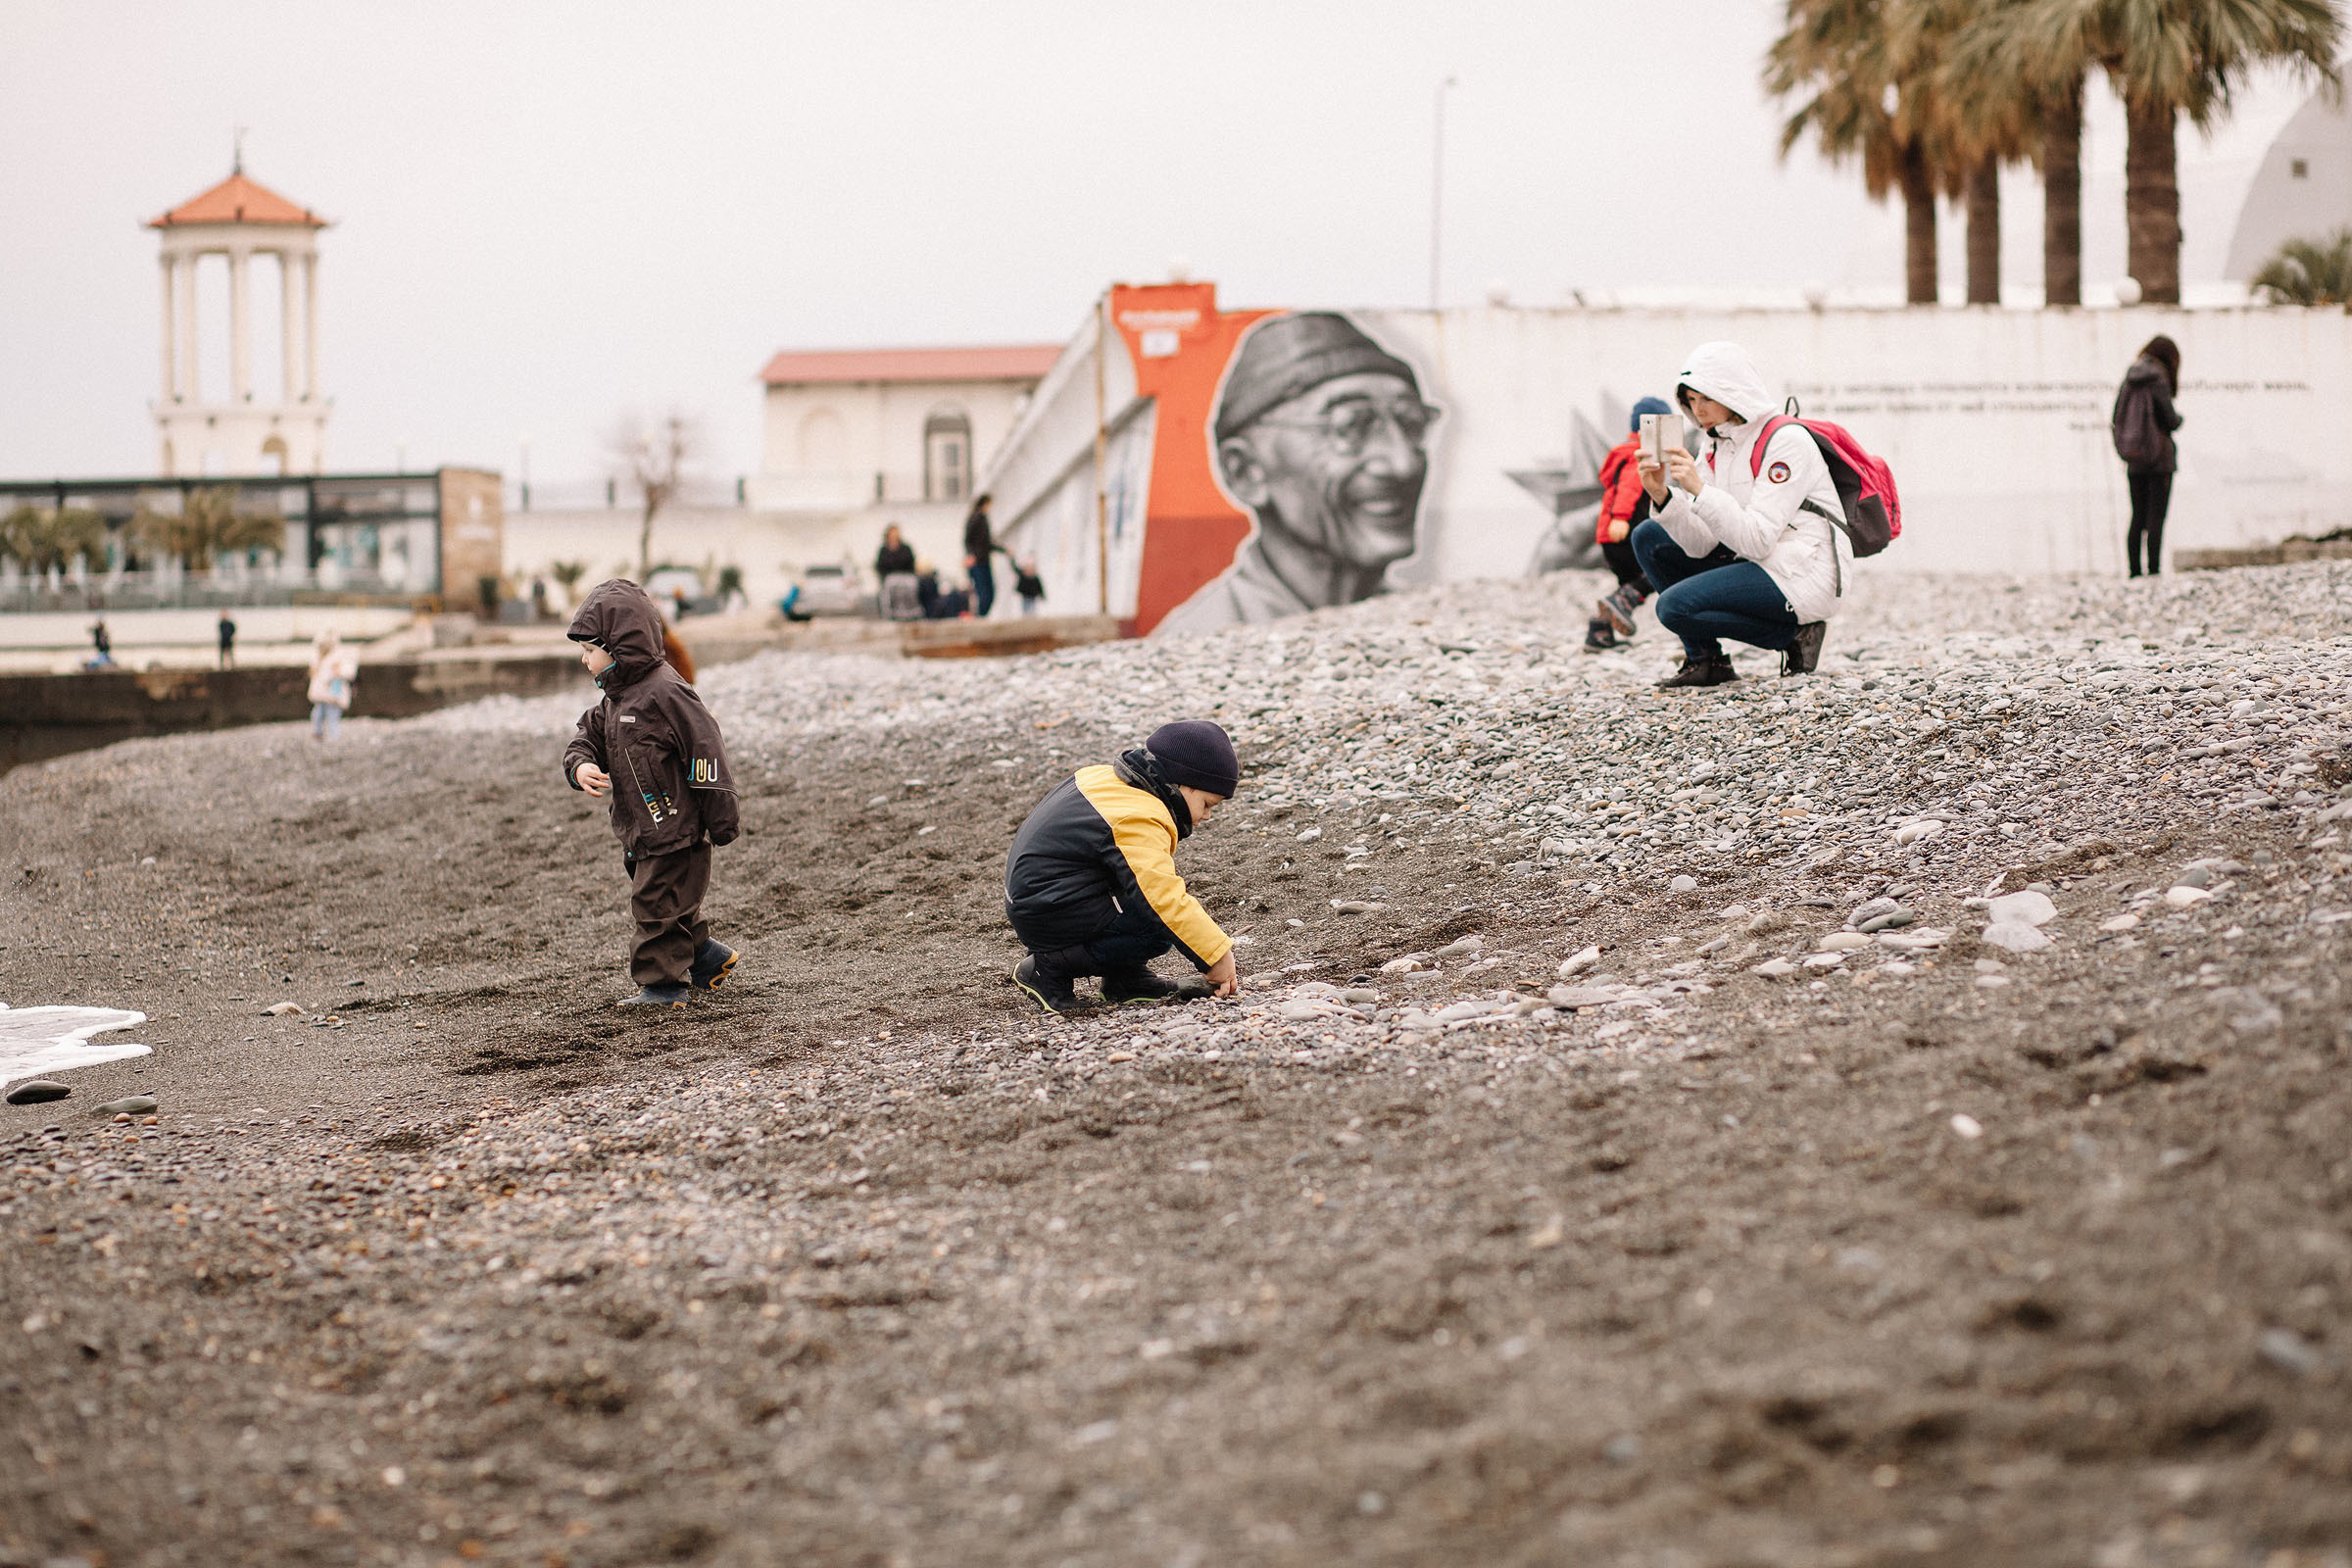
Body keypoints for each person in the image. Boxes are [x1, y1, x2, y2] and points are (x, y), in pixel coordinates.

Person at [1157, 312, 1435, 635]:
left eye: (1412, 424)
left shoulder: (1422, 626)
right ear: (1245, 471)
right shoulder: (1195, 644)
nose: (1404, 464)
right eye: (1351, 426)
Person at [563, 579, 742, 1009]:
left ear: (618, 644)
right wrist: (581, 765)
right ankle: (708, 960)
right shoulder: (615, 700)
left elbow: (705, 746)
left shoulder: (665, 692)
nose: (585, 660)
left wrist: (722, 818)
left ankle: (662, 987)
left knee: (655, 906)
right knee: (672, 908)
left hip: (677, 829)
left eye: (591, 650)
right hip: (641, 830)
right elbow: (587, 736)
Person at [1632, 341, 1848, 689]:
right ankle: (1707, 661)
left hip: (1804, 570)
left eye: (1705, 397)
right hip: (1757, 560)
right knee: (1649, 536)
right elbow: (1701, 544)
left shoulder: (1786, 440)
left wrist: (1700, 490)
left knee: (1674, 609)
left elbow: (1758, 540)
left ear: (1732, 392)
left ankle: (1793, 634)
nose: (1696, 409)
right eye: (1690, 400)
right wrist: (1660, 493)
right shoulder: (1715, 444)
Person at [1004, 720, 1243, 1014]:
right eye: (1207, 804)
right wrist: (1215, 955)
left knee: (1135, 888)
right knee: (1153, 921)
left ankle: (1126, 980)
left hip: (1041, 898)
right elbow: (1162, 897)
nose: (1206, 816)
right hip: (1047, 908)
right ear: (1184, 784)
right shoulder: (1139, 815)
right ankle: (1046, 968)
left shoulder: (1107, 780)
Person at [1588, 396, 1674, 652]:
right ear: (1653, 427)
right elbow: (1628, 488)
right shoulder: (1640, 455)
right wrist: (1621, 519)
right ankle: (1621, 604)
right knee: (1654, 574)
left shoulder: (1621, 452)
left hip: (1610, 537)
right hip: (1625, 533)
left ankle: (1599, 633)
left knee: (1625, 586)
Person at [2113, 335, 2183, 578]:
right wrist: (2180, 420)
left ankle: (2134, 571)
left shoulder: (2129, 379)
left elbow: (2117, 419)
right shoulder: (2158, 377)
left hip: (2135, 459)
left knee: (2137, 516)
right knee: (2156, 516)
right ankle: (2153, 570)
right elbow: (2170, 420)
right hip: (2160, 458)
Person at [307, 628, 358, 741]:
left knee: (332, 716)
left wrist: (339, 672)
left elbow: (349, 671)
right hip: (321, 693)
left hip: (334, 693)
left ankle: (334, 737)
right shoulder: (317, 657)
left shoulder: (339, 656)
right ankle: (318, 734)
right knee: (317, 715)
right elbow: (315, 675)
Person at [962, 494, 1001, 618]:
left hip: (982, 560)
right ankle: (980, 617)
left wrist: (1004, 550)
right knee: (985, 594)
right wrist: (970, 555)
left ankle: (981, 617)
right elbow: (968, 539)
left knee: (987, 593)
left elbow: (987, 543)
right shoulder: (977, 518)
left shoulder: (980, 518)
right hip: (978, 561)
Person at [876, 524, 919, 620]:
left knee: (909, 585)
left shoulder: (906, 548)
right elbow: (881, 566)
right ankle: (890, 613)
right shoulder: (884, 550)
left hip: (906, 575)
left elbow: (911, 563)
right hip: (890, 577)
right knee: (892, 584)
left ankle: (911, 612)